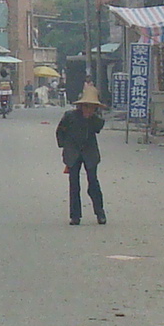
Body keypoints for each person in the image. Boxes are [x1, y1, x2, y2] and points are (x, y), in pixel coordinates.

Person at [56, 87, 108, 226]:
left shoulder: (96, 120)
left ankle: (100, 212)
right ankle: (75, 216)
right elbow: (60, 131)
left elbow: (98, 127)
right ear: (81, 106)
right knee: (74, 184)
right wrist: (64, 145)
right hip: (73, 152)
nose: (88, 110)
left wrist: (93, 116)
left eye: (92, 107)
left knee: (93, 182)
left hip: (90, 153)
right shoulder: (69, 116)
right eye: (86, 106)